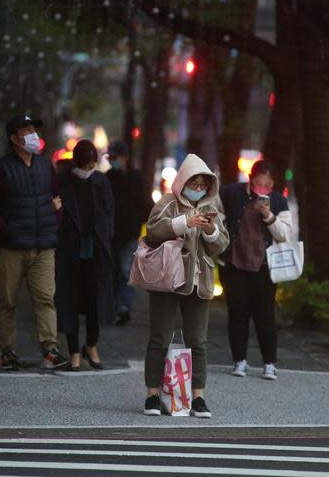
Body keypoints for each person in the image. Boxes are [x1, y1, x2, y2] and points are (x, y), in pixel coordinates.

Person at [142, 154, 229, 418]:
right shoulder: (168, 203)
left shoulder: (211, 207)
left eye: (203, 185)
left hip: (198, 282)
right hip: (167, 279)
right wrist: (184, 223)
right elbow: (153, 231)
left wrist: (211, 230)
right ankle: (153, 395)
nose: (199, 189)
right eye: (195, 183)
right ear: (183, 181)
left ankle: (198, 397)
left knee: (198, 341)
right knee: (160, 337)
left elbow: (222, 245)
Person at [0, 115, 68, 371]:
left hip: (43, 247)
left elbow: (57, 198)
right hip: (12, 247)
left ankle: (50, 350)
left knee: (45, 299)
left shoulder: (45, 166)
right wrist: (6, 231)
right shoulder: (1, 168)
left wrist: (55, 224)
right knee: (7, 301)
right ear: (14, 138)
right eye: (27, 130)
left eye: (34, 130)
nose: (33, 135)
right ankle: (6, 351)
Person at [219, 160, 292, 381]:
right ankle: (239, 360)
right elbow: (217, 214)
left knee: (265, 315)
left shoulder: (278, 201)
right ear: (251, 179)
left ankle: (269, 363)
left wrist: (269, 216)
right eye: (260, 183)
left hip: (265, 266)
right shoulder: (231, 193)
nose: (264, 188)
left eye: (268, 185)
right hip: (234, 264)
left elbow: (285, 235)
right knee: (238, 312)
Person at [55, 139, 116, 371]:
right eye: (86, 166)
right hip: (70, 250)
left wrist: (107, 237)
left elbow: (110, 213)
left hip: (96, 250)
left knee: (95, 300)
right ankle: (73, 352)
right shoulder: (63, 182)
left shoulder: (101, 182)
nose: (89, 171)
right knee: (70, 300)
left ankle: (91, 344)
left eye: (92, 166)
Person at [105, 140, 151, 326]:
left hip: (129, 233)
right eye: (111, 158)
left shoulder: (136, 178)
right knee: (112, 271)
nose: (112, 161)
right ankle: (113, 306)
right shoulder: (108, 177)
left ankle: (123, 306)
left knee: (125, 270)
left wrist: (139, 222)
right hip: (111, 233)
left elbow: (144, 204)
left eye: (115, 157)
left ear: (124, 158)